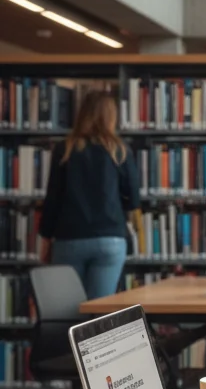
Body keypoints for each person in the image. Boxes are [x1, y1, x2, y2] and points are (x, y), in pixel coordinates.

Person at [39, 90, 139, 299]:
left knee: (68, 309)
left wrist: (46, 238)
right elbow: (133, 198)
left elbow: (53, 197)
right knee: (99, 312)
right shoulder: (120, 150)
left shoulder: (65, 148)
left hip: (69, 237)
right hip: (110, 237)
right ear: (111, 116)